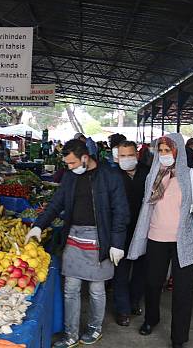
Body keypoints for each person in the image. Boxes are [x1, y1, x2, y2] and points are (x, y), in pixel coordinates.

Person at [26, 139, 128, 348]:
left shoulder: (110, 176)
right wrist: (39, 225)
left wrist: (117, 243)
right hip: (74, 235)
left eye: (72, 163)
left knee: (96, 289)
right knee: (71, 288)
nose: (69, 168)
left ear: (85, 157)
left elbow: (121, 211)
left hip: (100, 238)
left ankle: (94, 329)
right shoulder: (70, 177)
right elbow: (56, 203)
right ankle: (70, 334)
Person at [127, 133, 193, 348]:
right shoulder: (153, 175)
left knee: (183, 291)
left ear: (178, 151)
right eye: (161, 150)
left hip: (183, 242)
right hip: (156, 238)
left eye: (168, 150)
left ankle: (179, 337)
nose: (164, 154)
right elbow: (147, 208)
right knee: (152, 283)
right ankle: (151, 318)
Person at [113, 141, 149, 326]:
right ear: (117, 157)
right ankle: (122, 310)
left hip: (144, 229)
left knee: (141, 270)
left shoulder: (147, 172)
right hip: (121, 231)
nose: (126, 159)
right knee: (121, 271)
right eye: (123, 155)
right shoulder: (113, 175)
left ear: (137, 155)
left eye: (130, 155)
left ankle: (135, 302)